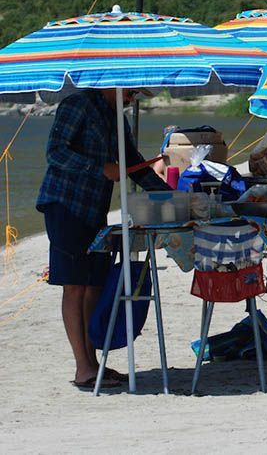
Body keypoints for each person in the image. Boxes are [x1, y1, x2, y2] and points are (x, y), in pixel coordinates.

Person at [36, 88, 171, 389]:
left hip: (94, 209)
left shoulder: (116, 118)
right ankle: (82, 367)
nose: (134, 98)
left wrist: (168, 196)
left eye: (137, 94)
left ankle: (93, 363)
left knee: (95, 284)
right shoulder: (78, 104)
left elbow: (133, 162)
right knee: (75, 285)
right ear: (114, 83)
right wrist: (99, 168)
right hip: (64, 205)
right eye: (133, 92)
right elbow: (55, 152)